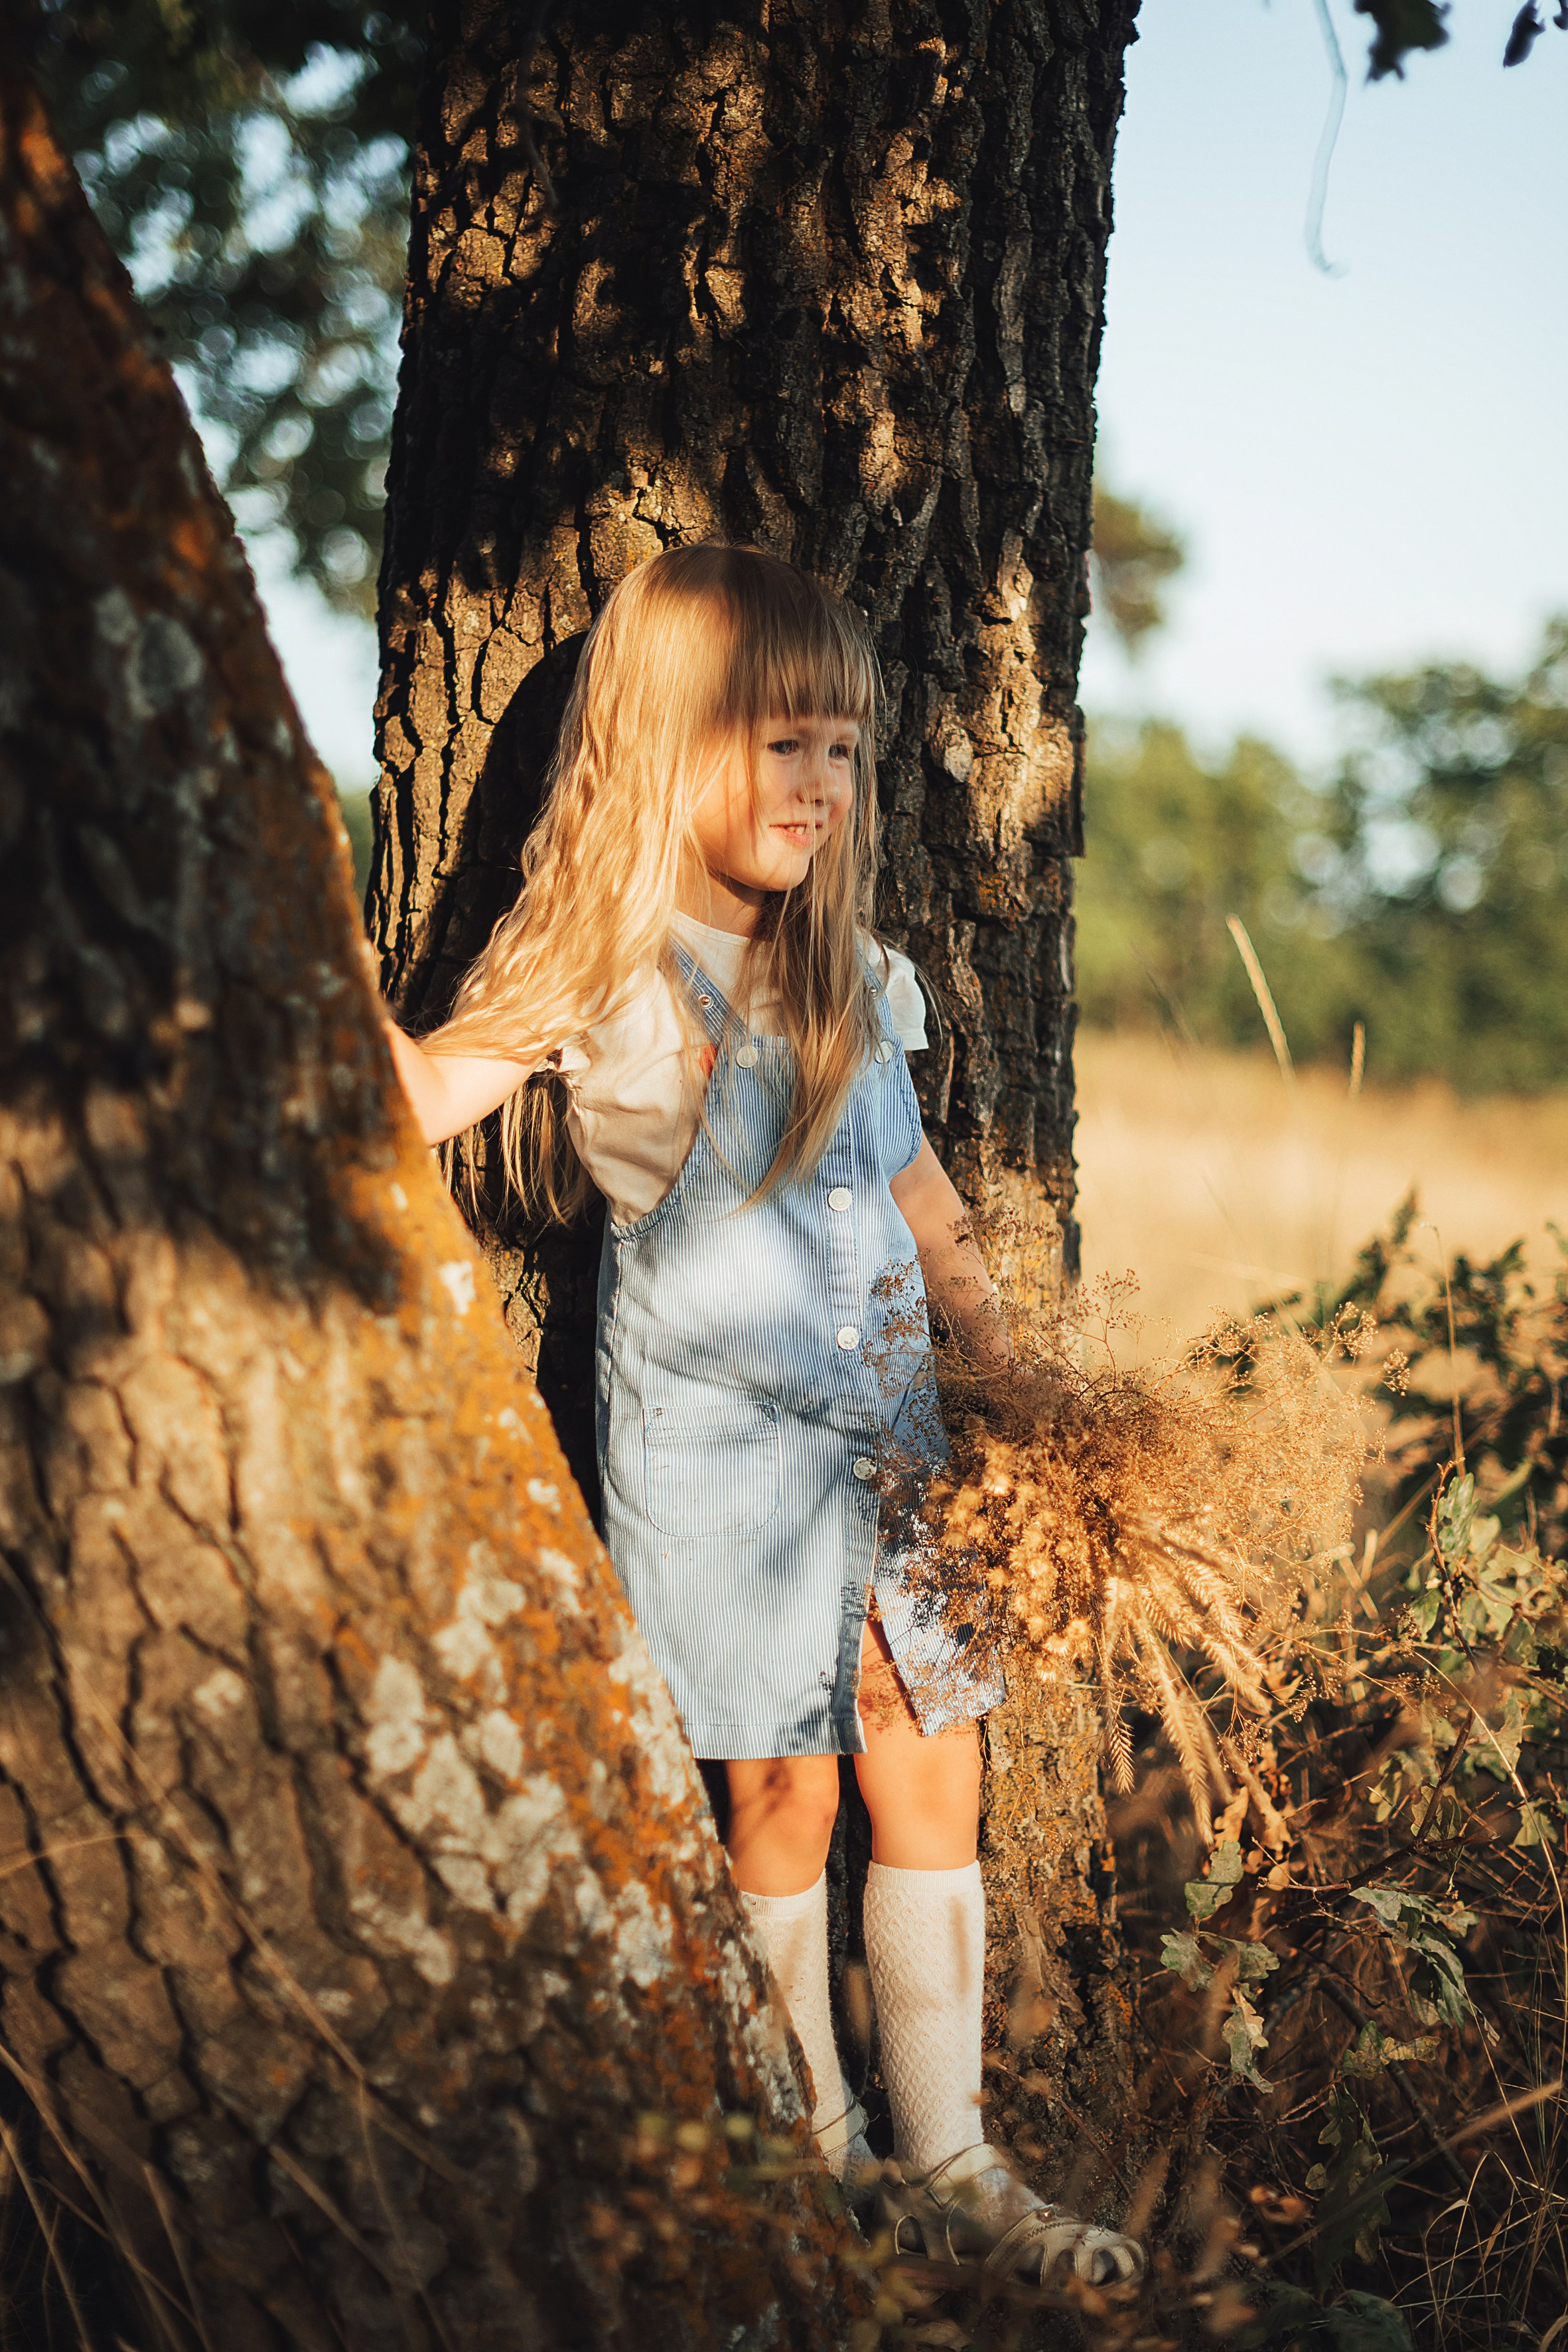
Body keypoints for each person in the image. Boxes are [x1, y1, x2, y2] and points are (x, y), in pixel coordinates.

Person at [384, 542, 1139, 2290]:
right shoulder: (608, 968)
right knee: (785, 1794)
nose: (821, 784)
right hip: (725, 1473)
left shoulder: (853, 976)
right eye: (782, 743)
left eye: (843, 750)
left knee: (934, 1766)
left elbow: (925, 1204)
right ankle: (818, 2154)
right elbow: (426, 1091)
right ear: (665, 748)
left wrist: (1016, 1373)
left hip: (898, 1454)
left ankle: (956, 2156)